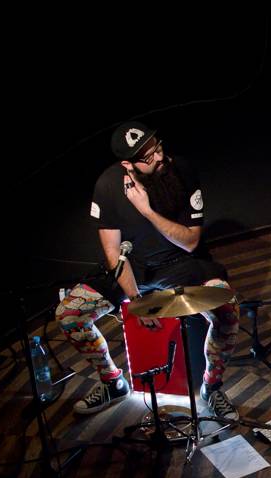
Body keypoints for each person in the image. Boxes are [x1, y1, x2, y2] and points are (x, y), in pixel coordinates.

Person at [56, 121, 239, 420]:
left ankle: (212, 386)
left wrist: (147, 211)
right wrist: (138, 302)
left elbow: (191, 241)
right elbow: (114, 254)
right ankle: (113, 383)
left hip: (182, 264)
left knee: (227, 308)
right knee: (69, 314)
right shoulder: (107, 185)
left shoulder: (181, 171)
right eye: (148, 156)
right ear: (127, 163)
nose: (158, 157)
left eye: (158, 148)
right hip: (135, 270)